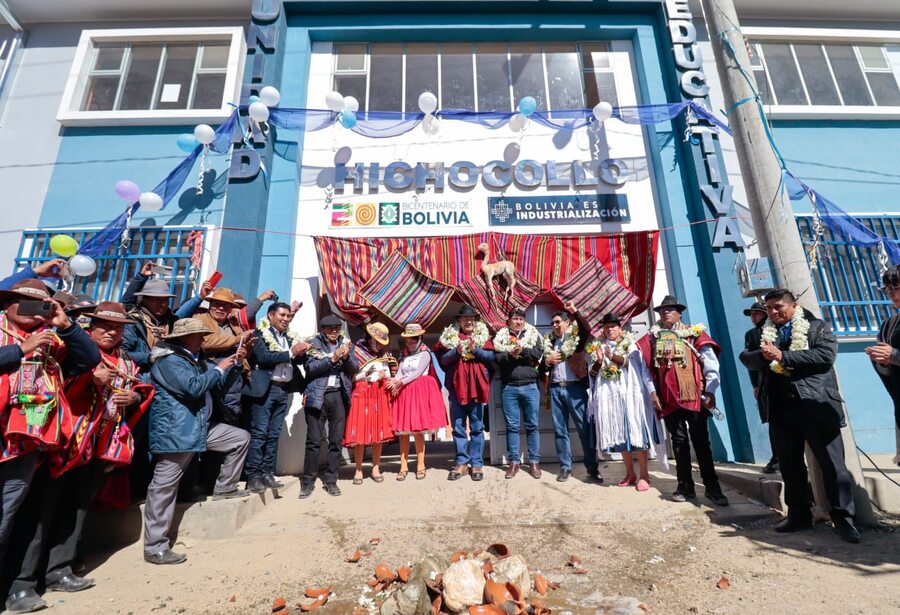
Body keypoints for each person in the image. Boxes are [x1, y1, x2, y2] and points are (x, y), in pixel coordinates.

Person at [6, 303, 152, 611]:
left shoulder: (124, 358)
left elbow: (138, 384)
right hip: (59, 444)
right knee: (40, 513)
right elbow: (56, 378)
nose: (112, 331)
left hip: (96, 446)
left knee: (77, 508)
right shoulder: (69, 346)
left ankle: (60, 569)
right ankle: (22, 583)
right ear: (90, 325)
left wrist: (134, 395)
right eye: (105, 325)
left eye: (119, 327)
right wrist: (88, 379)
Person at [0, 280, 101, 613]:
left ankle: (16, 589)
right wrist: (21, 350)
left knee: (8, 518)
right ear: (9, 303)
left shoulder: (52, 340)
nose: (34, 312)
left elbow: (88, 358)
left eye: (41, 306)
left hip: (25, 446)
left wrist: (66, 324)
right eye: (26, 304)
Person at [741, 289, 860, 543]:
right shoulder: (761, 333)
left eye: (778, 306)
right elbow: (747, 358)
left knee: (832, 465)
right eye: (770, 308)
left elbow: (825, 357)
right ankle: (798, 515)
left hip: (815, 405)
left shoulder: (816, 327)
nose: (773, 312)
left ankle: (844, 520)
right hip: (780, 409)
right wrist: (764, 355)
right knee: (790, 466)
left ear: (793, 306)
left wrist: (784, 356)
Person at [142, 318, 250, 566]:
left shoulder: (194, 359)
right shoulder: (170, 362)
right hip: (177, 431)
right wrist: (219, 368)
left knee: (239, 438)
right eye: (198, 335)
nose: (203, 339)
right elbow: (193, 388)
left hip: (199, 427)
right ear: (183, 339)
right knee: (163, 488)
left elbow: (213, 385)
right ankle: (155, 546)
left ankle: (225, 488)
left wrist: (232, 365)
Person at [637, 295, 729, 506]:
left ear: (679, 313)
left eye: (670, 309)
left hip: (694, 396)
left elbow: (711, 365)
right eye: (662, 310)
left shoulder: (695, 334)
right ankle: (684, 485)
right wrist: (653, 393)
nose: (666, 312)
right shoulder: (652, 337)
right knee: (678, 443)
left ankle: (712, 487)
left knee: (701, 442)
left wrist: (711, 391)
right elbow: (646, 369)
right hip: (668, 398)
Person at [588, 313, 664, 492]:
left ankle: (645, 475)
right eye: (606, 327)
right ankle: (630, 473)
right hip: (611, 398)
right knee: (621, 436)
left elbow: (633, 365)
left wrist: (613, 356)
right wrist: (599, 361)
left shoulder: (631, 344)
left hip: (630, 396)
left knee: (637, 435)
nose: (610, 330)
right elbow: (592, 374)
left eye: (613, 326)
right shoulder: (597, 347)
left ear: (620, 328)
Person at [243, 302, 309, 493]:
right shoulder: (260, 333)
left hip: (283, 390)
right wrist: (291, 352)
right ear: (271, 315)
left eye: (289, 316)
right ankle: (252, 476)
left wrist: (303, 351)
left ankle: (266, 473)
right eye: (282, 315)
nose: (286, 319)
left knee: (273, 435)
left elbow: (295, 358)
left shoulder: (287, 336)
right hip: (266, 389)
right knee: (260, 434)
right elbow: (264, 358)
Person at [298, 315, 357, 499]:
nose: (334, 331)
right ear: (323, 330)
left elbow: (355, 367)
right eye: (330, 328)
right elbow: (311, 368)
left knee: (336, 440)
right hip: (317, 396)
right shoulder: (312, 344)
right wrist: (333, 358)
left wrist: (346, 357)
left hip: (338, 396)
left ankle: (331, 481)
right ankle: (307, 483)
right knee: (314, 441)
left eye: (337, 328)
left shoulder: (347, 344)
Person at [435, 306, 494, 482]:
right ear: (459, 321)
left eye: (472, 319)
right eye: (465, 319)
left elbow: (491, 358)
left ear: (475, 322)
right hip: (456, 389)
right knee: (458, 428)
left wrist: (476, 350)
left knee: (477, 427)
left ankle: (476, 463)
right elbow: (443, 361)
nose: (469, 321)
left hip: (476, 389)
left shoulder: (483, 337)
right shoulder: (450, 338)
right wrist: (456, 352)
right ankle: (461, 462)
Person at [541, 302, 598, 482]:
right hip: (556, 388)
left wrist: (575, 311)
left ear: (567, 323)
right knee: (560, 430)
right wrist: (547, 361)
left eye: (558, 322)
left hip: (575, 388)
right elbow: (540, 368)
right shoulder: (548, 342)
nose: (555, 325)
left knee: (584, 429)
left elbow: (585, 328)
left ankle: (592, 468)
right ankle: (565, 468)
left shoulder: (575, 338)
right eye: (553, 323)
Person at [121, 263, 208, 372]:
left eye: (166, 300)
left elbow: (182, 314)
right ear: (145, 300)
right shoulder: (133, 323)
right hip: (141, 376)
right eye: (157, 300)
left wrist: (199, 297)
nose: (163, 304)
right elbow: (122, 354)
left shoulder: (170, 321)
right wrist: (149, 357)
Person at [387, 323, 446, 481]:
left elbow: (418, 373)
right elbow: (400, 372)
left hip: (418, 391)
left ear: (419, 339)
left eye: (413, 340)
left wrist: (401, 382)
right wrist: (394, 381)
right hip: (405, 394)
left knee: (418, 431)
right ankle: (403, 466)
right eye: (408, 340)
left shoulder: (425, 353)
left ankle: (421, 464)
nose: (410, 343)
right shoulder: (404, 354)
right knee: (403, 432)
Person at [494, 308, 543, 479]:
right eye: (515, 319)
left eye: (521, 319)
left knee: (532, 426)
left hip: (530, 386)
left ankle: (534, 462)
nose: (518, 322)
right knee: (512, 427)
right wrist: (510, 354)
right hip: (510, 388)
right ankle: (514, 462)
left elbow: (538, 353)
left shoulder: (532, 333)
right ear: (509, 321)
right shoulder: (501, 336)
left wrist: (522, 351)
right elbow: (498, 358)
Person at [344, 322, 396, 484]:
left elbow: (391, 374)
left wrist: (385, 376)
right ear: (369, 338)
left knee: (378, 433)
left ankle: (375, 467)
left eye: (379, 341)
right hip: (361, 394)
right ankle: (358, 469)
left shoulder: (385, 354)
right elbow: (348, 377)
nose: (377, 343)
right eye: (374, 339)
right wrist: (365, 374)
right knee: (360, 432)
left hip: (379, 394)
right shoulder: (356, 352)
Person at [194, 287, 254, 426]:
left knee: (232, 417)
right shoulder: (199, 319)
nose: (220, 308)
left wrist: (248, 347)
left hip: (235, 378)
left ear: (231, 308)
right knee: (212, 417)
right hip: (212, 375)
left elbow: (242, 350)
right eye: (216, 304)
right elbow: (205, 342)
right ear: (210, 304)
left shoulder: (233, 324)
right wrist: (237, 339)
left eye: (225, 305)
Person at [743, 301, 779, 474]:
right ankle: (777, 457)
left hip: (783, 378)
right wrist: (755, 384)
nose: (754, 317)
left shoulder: (776, 329)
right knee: (772, 419)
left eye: (757, 313)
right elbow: (751, 363)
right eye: (752, 314)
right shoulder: (751, 335)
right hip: (765, 380)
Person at [866, 264, 900, 442]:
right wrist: (881, 359)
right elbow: (888, 369)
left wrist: (893, 355)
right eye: (887, 289)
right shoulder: (890, 324)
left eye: (894, 288)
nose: (890, 294)